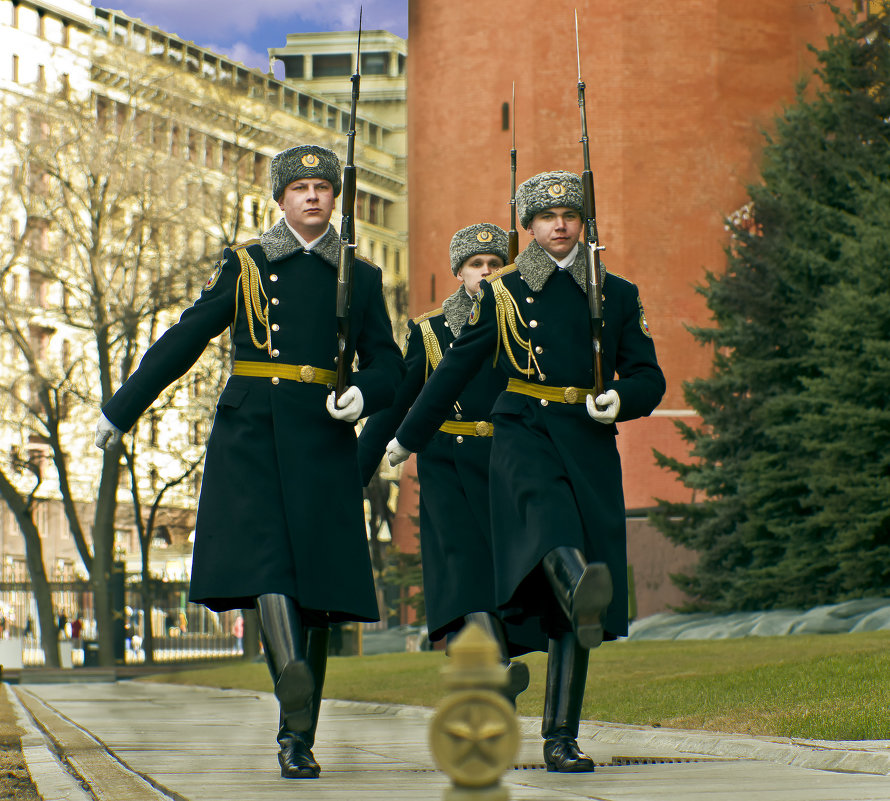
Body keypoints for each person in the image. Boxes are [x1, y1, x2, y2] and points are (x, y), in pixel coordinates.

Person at [95, 144, 404, 779]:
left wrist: (363, 395)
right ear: (280, 198)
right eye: (300, 188)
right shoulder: (246, 264)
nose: (313, 196)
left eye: (323, 186)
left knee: (313, 589)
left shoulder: (361, 275)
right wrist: (121, 408)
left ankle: (299, 736)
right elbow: (187, 334)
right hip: (252, 435)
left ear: (335, 198)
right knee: (269, 564)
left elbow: (390, 368)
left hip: (322, 434)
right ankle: (291, 681)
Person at [386, 171, 665, 772]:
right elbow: (454, 370)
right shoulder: (504, 293)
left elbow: (648, 375)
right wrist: (406, 438)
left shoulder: (615, 293)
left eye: (569, 215)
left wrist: (622, 397)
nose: (559, 225)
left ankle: (561, 736)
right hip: (523, 433)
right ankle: (577, 585)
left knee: (575, 617)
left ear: (582, 223)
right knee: (548, 522)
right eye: (546, 218)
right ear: (529, 229)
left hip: (588, 440)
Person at [357, 223, 529, 703]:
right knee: (464, 569)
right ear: (459, 272)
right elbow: (398, 402)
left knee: (504, 574)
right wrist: (358, 467)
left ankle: (489, 669)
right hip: (447, 465)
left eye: (496, 265)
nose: (487, 273)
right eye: (477, 265)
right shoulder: (431, 330)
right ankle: (494, 665)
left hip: (506, 462)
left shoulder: (520, 320)